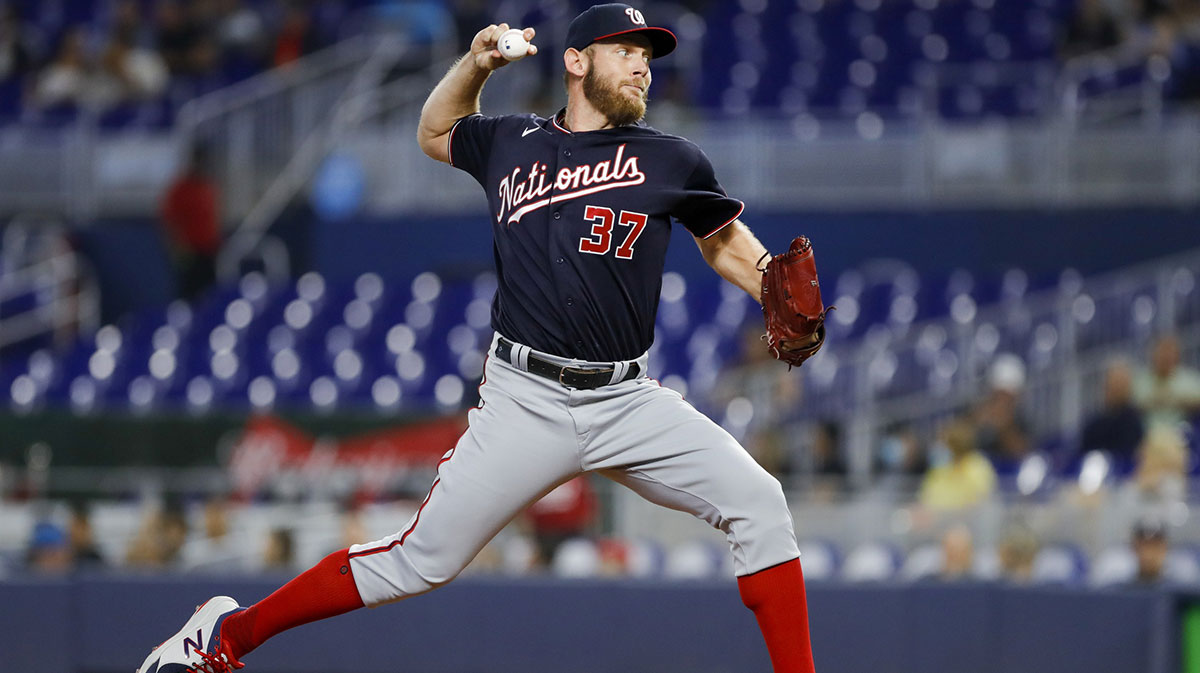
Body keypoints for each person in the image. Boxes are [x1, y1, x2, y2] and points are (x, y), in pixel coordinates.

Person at [137, 6, 818, 673]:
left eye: (648, 54)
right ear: (576, 61)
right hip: (527, 399)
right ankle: (226, 633)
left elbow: (722, 239)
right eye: (624, 48)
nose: (641, 63)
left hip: (626, 398)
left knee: (759, 502)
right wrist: (474, 65)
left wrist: (767, 281)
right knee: (419, 560)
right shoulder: (512, 140)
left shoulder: (670, 159)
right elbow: (435, 131)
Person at [160, 142, 222, 301]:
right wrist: (178, 246)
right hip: (189, 252)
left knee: (209, 295)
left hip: (208, 251)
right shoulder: (180, 189)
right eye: (199, 161)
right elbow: (170, 220)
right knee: (188, 294)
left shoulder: (208, 186)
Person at [1079, 357, 1145, 472]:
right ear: (1105, 386)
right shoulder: (1093, 424)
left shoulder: (1135, 422)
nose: (1117, 388)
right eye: (1114, 383)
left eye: (1122, 384)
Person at [919, 417, 997, 511]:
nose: (940, 446)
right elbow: (927, 498)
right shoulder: (939, 468)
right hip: (938, 521)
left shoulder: (977, 466)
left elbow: (980, 503)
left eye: (944, 443)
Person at [1133, 333, 1200, 431]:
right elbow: (1132, 402)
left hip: (1182, 432)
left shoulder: (1189, 378)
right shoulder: (1141, 380)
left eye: (1170, 352)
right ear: (1153, 354)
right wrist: (1156, 399)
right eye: (1162, 352)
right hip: (1148, 434)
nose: (1165, 356)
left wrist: (1178, 399)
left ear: (1177, 355)